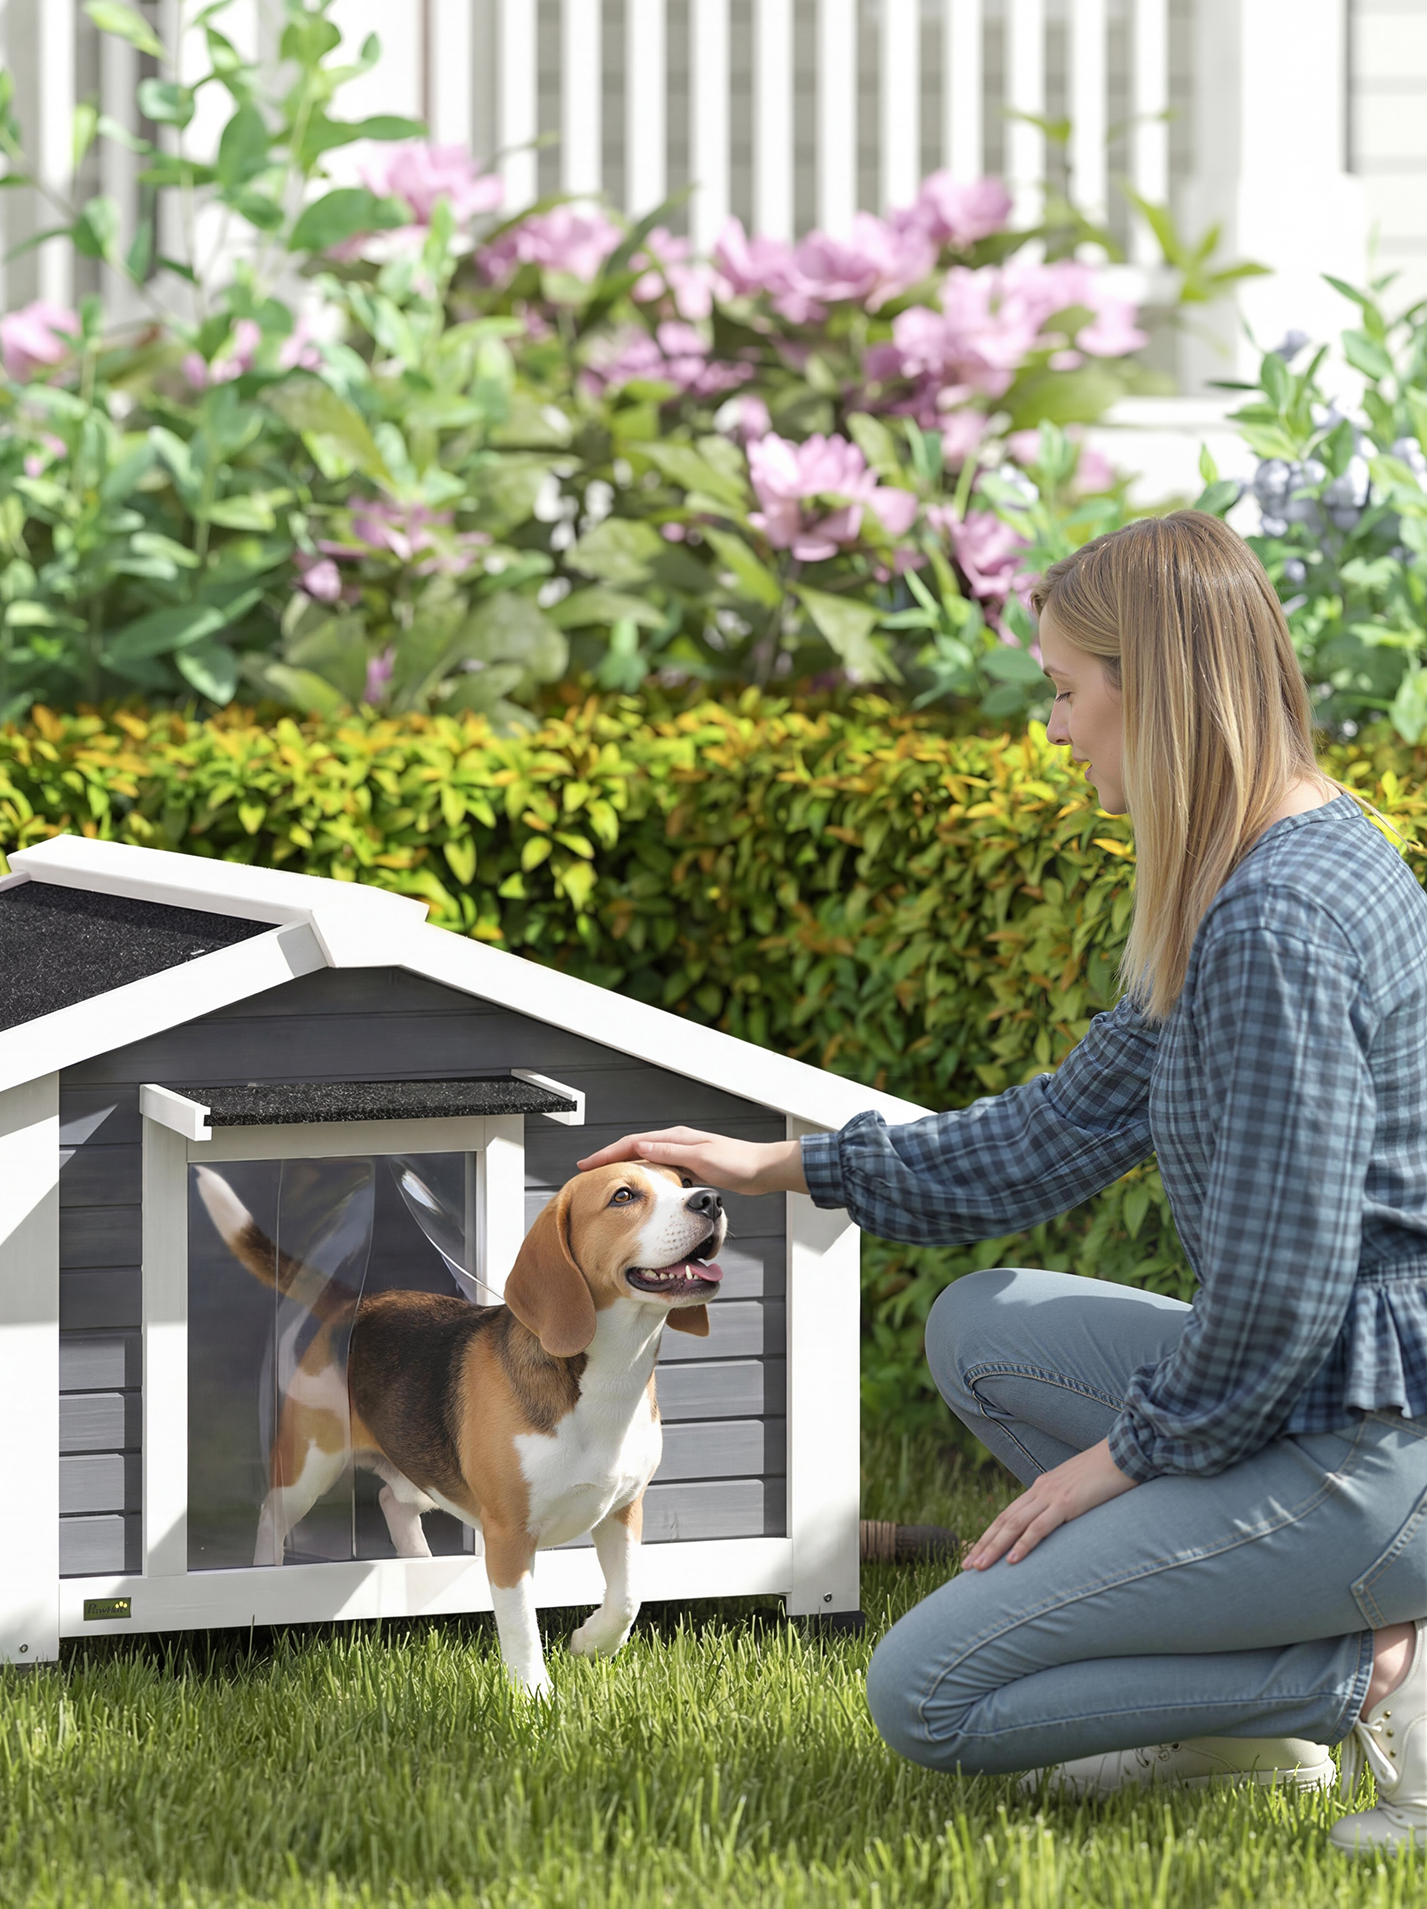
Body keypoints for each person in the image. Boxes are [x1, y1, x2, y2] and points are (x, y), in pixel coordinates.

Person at [581, 510, 1427, 1853]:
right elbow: (1056, 1130)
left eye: (1063, 689)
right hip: (1341, 1396)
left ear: (1150, 688)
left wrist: (1126, 1457)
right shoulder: (1260, 864)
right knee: (985, 1331)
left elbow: (1282, 1294)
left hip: (1371, 1440)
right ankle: (1245, 1730)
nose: (1052, 724)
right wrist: (786, 1163)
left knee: (931, 1693)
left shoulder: (1279, 924)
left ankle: (1374, 1673)